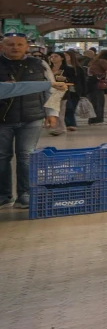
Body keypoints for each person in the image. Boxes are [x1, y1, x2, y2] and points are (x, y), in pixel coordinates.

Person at [0, 33, 56, 208]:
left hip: (32, 118)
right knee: (2, 157)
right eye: (10, 44)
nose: (15, 47)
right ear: (2, 47)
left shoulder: (39, 64)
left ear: (26, 47)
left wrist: (51, 113)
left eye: (19, 44)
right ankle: (4, 195)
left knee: (26, 156)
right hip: (2, 120)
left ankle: (25, 194)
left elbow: (51, 89)